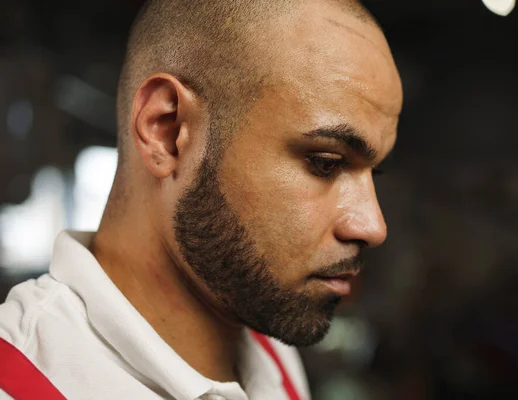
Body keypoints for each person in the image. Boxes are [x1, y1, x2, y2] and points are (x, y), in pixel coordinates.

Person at [0, 0, 403, 398]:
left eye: (374, 172)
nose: (373, 226)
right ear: (167, 131)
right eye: (325, 163)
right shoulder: (21, 382)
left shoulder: (268, 347)